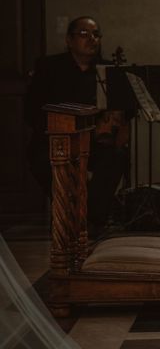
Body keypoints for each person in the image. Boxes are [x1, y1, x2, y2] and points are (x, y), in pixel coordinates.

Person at [25, 16, 128, 234]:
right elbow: (32, 111)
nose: (92, 39)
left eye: (96, 35)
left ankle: (92, 218)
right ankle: (70, 212)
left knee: (117, 156)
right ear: (69, 40)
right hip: (56, 139)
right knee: (41, 160)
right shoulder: (48, 67)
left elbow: (126, 108)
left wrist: (114, 120)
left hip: (96, 141)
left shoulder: (108, 70)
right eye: (84, 34)